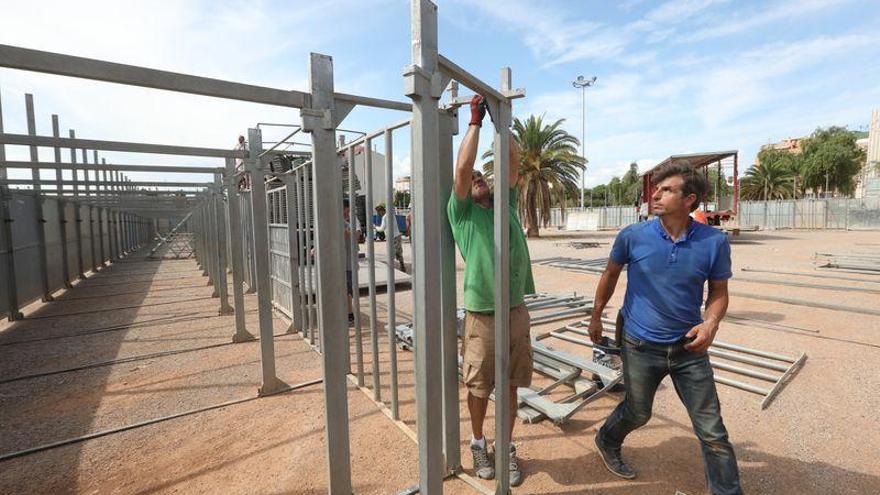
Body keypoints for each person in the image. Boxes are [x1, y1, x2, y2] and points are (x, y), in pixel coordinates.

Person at [588, 163, 743, 494]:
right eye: (656, 189)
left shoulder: (713, 242)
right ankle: (607, 438)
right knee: (638, 411)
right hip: (639, 342)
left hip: (689, 348)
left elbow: (718, 292)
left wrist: (711, 323)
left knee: (712, 431)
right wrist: (596, 315)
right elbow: (610, 275)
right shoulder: (632, 236)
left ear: (690, 199)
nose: (655, 194)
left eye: (666, 190)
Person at [447, 95, 534, 487]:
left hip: (515, 310)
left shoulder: (508, 205)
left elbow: (512, 164)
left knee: (512, 383)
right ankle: (479, 441)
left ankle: (506, 446)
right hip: (482, 313)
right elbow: (463, 167)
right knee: (480, 385)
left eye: (487, 176)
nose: (482, 179)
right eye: (478, 179)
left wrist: (505, 124)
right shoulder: (463, 213)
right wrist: (477, 122)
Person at [343, 198, 362, 324]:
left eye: (348, 210)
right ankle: (348, 313)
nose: (346, 213)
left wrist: (347, 233)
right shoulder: (337, 221)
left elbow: (358, 234)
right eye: (345, 210)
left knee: (347, 289)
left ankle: (350, 315)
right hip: (340, 261)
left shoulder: (352, 220)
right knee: (345, 288)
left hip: (349, 261)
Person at [375, 204, 406, 273]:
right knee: (399, 252)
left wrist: (376, 227)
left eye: (378, 212)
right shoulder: (391, 214)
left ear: (381, 211)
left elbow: (381, 229)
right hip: (397, 236)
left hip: (392, 237)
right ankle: (402, 266)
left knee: (392, 253)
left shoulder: (384, 217)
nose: (378, 214)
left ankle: (391, 269)